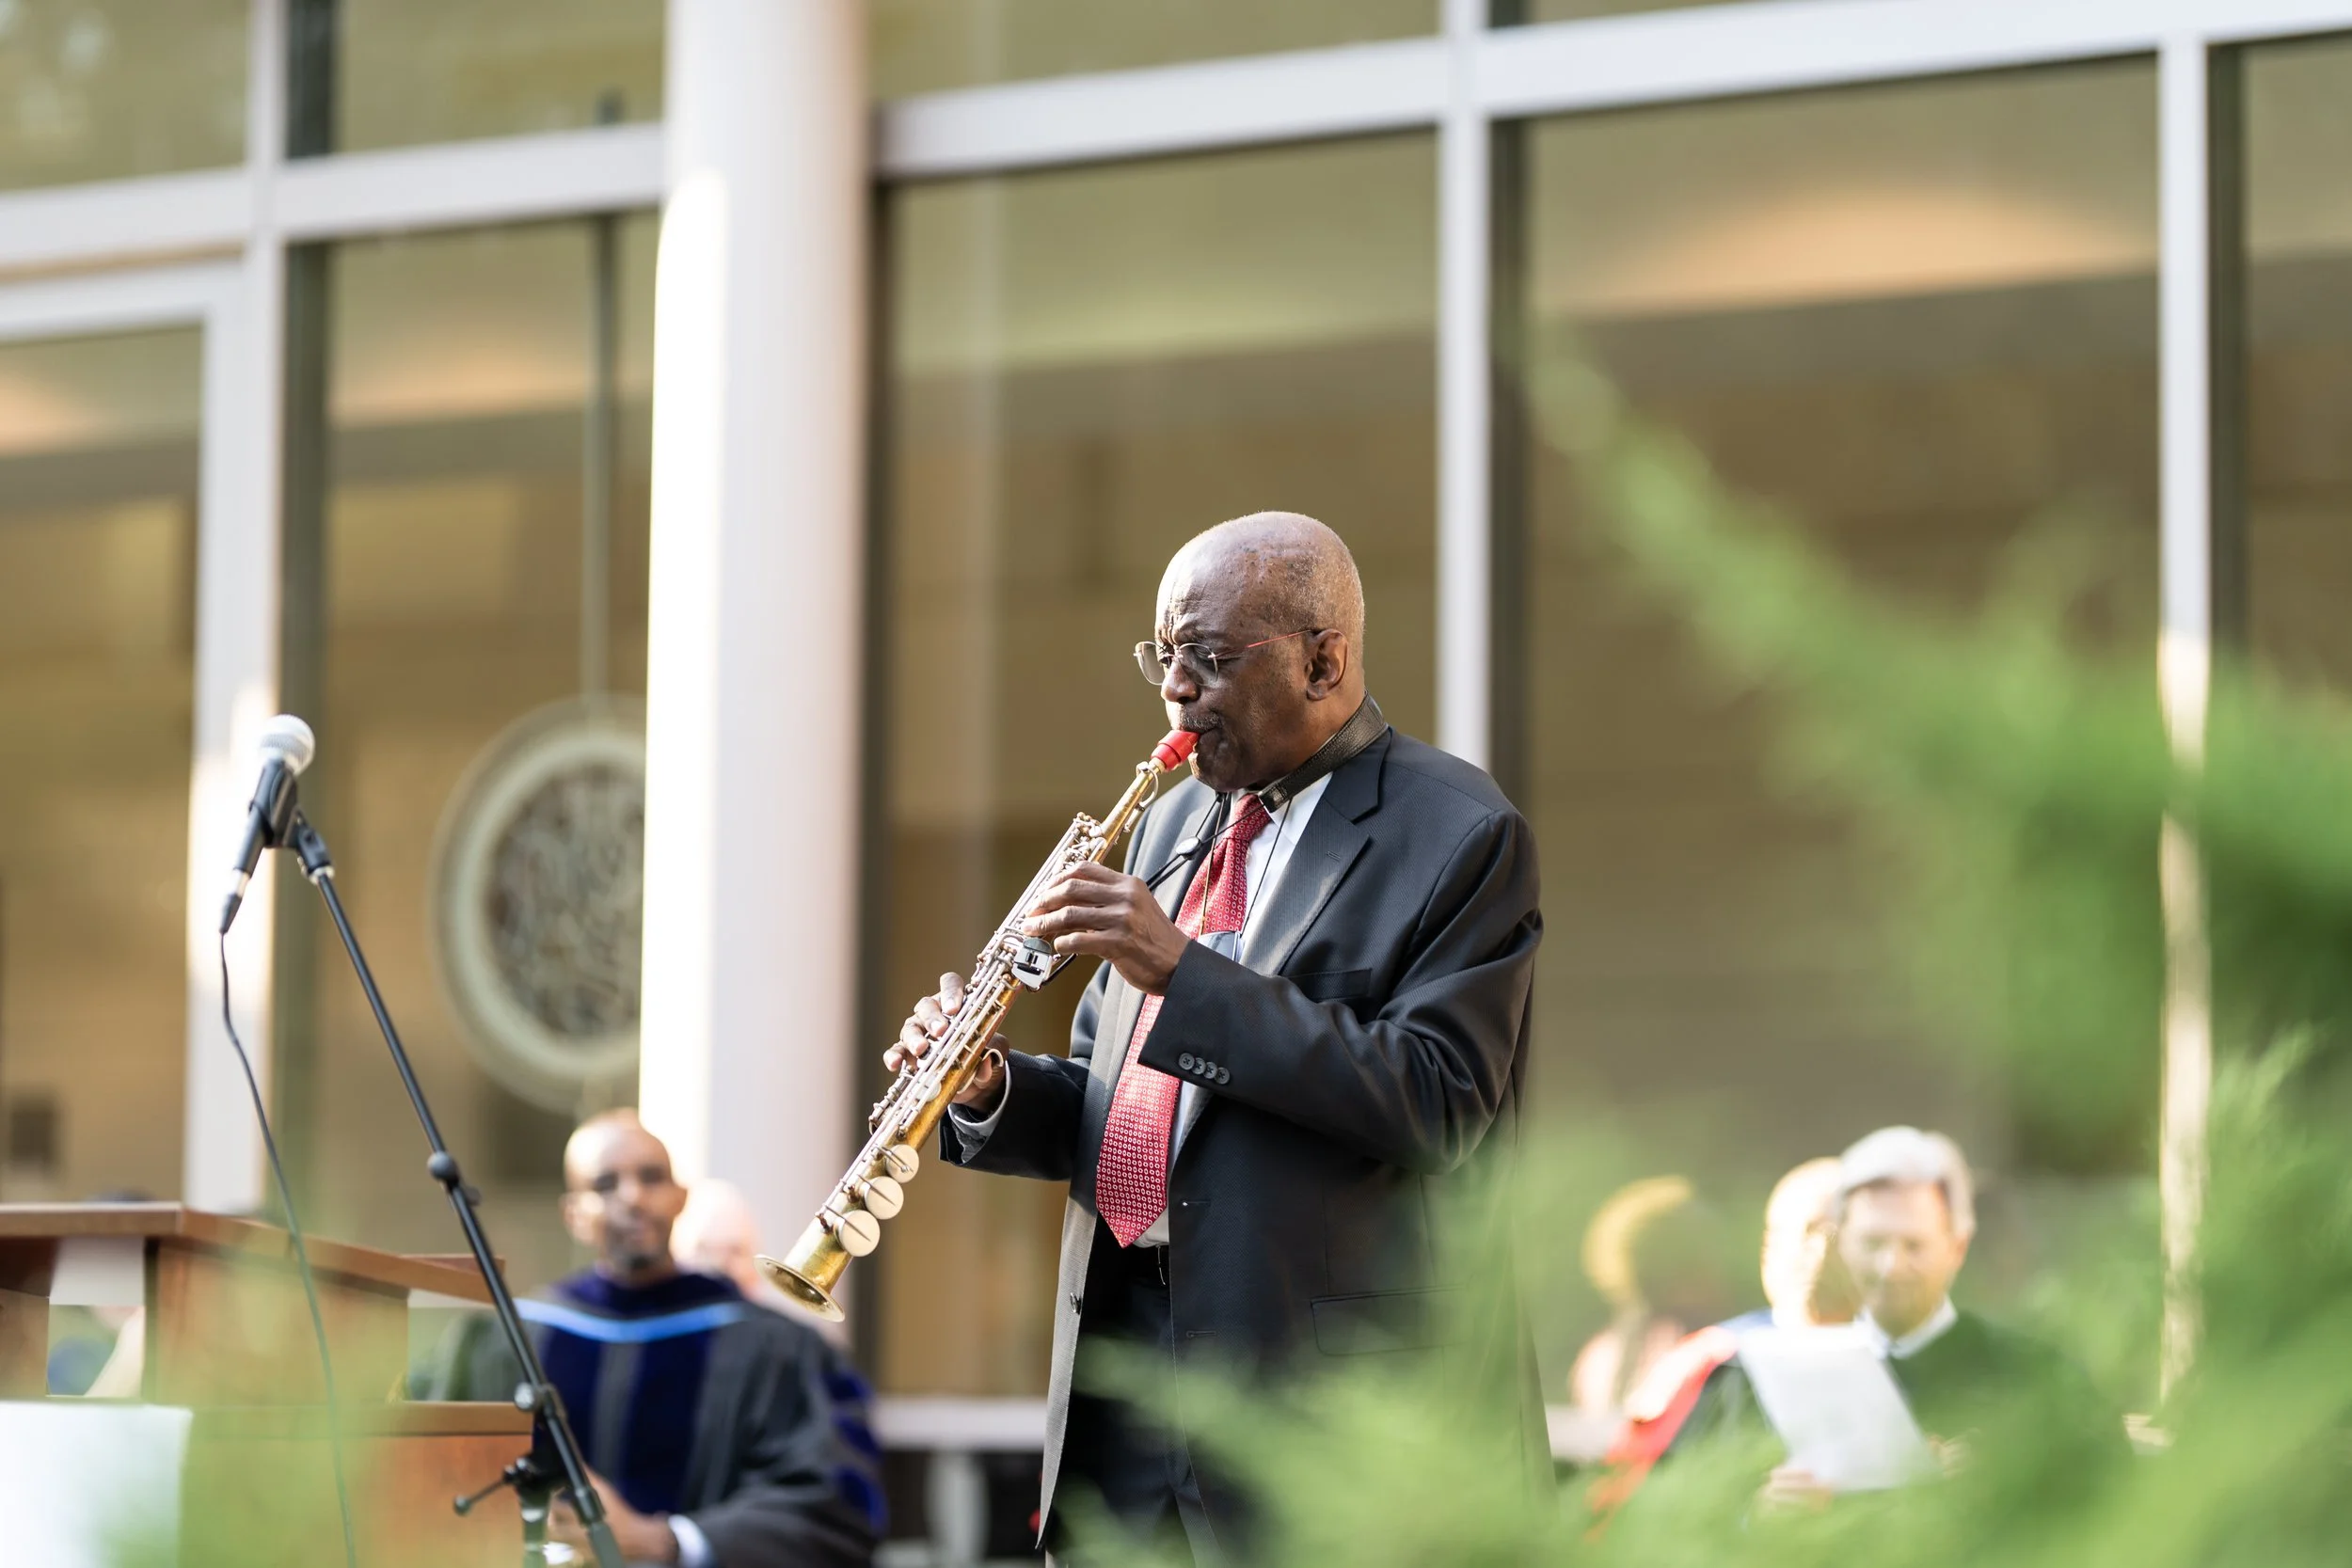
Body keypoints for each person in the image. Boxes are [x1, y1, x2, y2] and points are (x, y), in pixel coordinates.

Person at [890, 512, 1548, 1564]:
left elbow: (1439, 1099)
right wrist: (989, 1087)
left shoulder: (1458, 831)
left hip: (1321, 1407)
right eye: (1164, 656)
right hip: (1129, 1381)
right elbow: (1137, 1109)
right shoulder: (1166, 823)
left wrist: (1183, 973)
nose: (1175, 690)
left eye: (1207, 655)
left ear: (1322, 658)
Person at [424, 1111, 882, 1567]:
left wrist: (665, 1541)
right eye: (605, 1184)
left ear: (680, 1198)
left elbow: (835, 1504)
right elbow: (429, 1485)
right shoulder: (507, 1340)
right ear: (573, 1214)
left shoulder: (772, 1347)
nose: (633, 1197)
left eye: (651, 1177)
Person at [1669, 1127, 2124, 1502]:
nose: (1891, 1268)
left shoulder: (2036, 1375)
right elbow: (1682, 1520)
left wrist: (2009, 1485)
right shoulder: (1757, 1380)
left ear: (1957, 1246)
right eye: (1873, 1244)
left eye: (1914, 1246)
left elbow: (2125, 1510)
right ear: (1841, 1240)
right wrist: (1762, 1519)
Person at [1591, 1158, 1853, 1511]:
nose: (1823, 1255)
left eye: (1844, 1236)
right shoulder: (1710, 1364)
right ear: (1769, 1250)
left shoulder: (1916, 1359)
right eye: (1809, 1234)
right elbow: (1634, 1511)